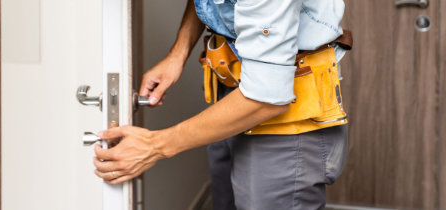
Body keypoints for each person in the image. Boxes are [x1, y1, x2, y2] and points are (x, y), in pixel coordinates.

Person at [93, 0, 349, 209]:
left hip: (282, 118)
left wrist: (154, 146)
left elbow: (265, 97)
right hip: (232, 96)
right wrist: (178, 53)